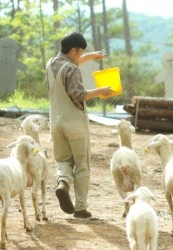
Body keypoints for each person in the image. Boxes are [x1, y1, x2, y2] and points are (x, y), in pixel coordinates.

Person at [45, 32, 113, 218]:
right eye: (80, 52)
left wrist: (90, 56)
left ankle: (63, 183)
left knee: (63, 160)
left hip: (56, 122)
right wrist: (101, 91)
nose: (80, 55)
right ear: (73, 50)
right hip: (74, 122)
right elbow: (79, 94)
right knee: (82, 164)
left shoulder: (50, 64)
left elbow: (68, 66)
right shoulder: (72, 70)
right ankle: (80, 207)